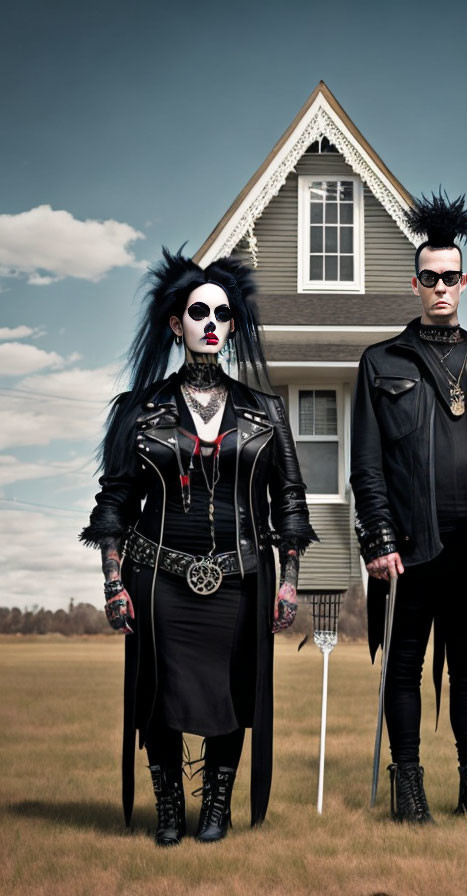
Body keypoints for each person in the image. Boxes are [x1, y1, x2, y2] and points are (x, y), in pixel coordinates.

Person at [81, 248, 316, 845]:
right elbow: (113, 504)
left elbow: (290, 501)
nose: (210, 322)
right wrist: (113, 582)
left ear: (233, 325)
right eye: (197, 312)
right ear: (175, 324)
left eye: (222, 313)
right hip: (157, 578)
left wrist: (288, 581)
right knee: (159, 695)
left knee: (233, 694)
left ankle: (216, 807)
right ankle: (167, 809)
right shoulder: (138, 412)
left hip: (240, 579)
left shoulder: (265, 412)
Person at [350, 192, 467, 827]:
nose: (440, 288)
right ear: (415, 283)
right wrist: (375, 539)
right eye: (428, 278)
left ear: (464, 281)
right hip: (409, 547)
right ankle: (408, 792)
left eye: (450, 277)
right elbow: (366, 465)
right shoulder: (381, 364)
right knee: (403, 667)